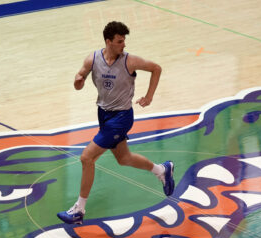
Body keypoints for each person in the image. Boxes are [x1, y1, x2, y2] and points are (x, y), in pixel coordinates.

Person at [57, 21, 174, 224]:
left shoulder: (130, 61)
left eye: (124, 41)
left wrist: (149, 96)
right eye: (120, 41)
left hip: (121, 118)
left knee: (86, 158)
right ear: (108, 41)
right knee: (124, 158)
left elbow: (156, 68)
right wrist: (78, 80)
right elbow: (79, 80)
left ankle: (79, 209)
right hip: (103, 114)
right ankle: (162, 170)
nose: (124, 45)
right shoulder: (93, 59)